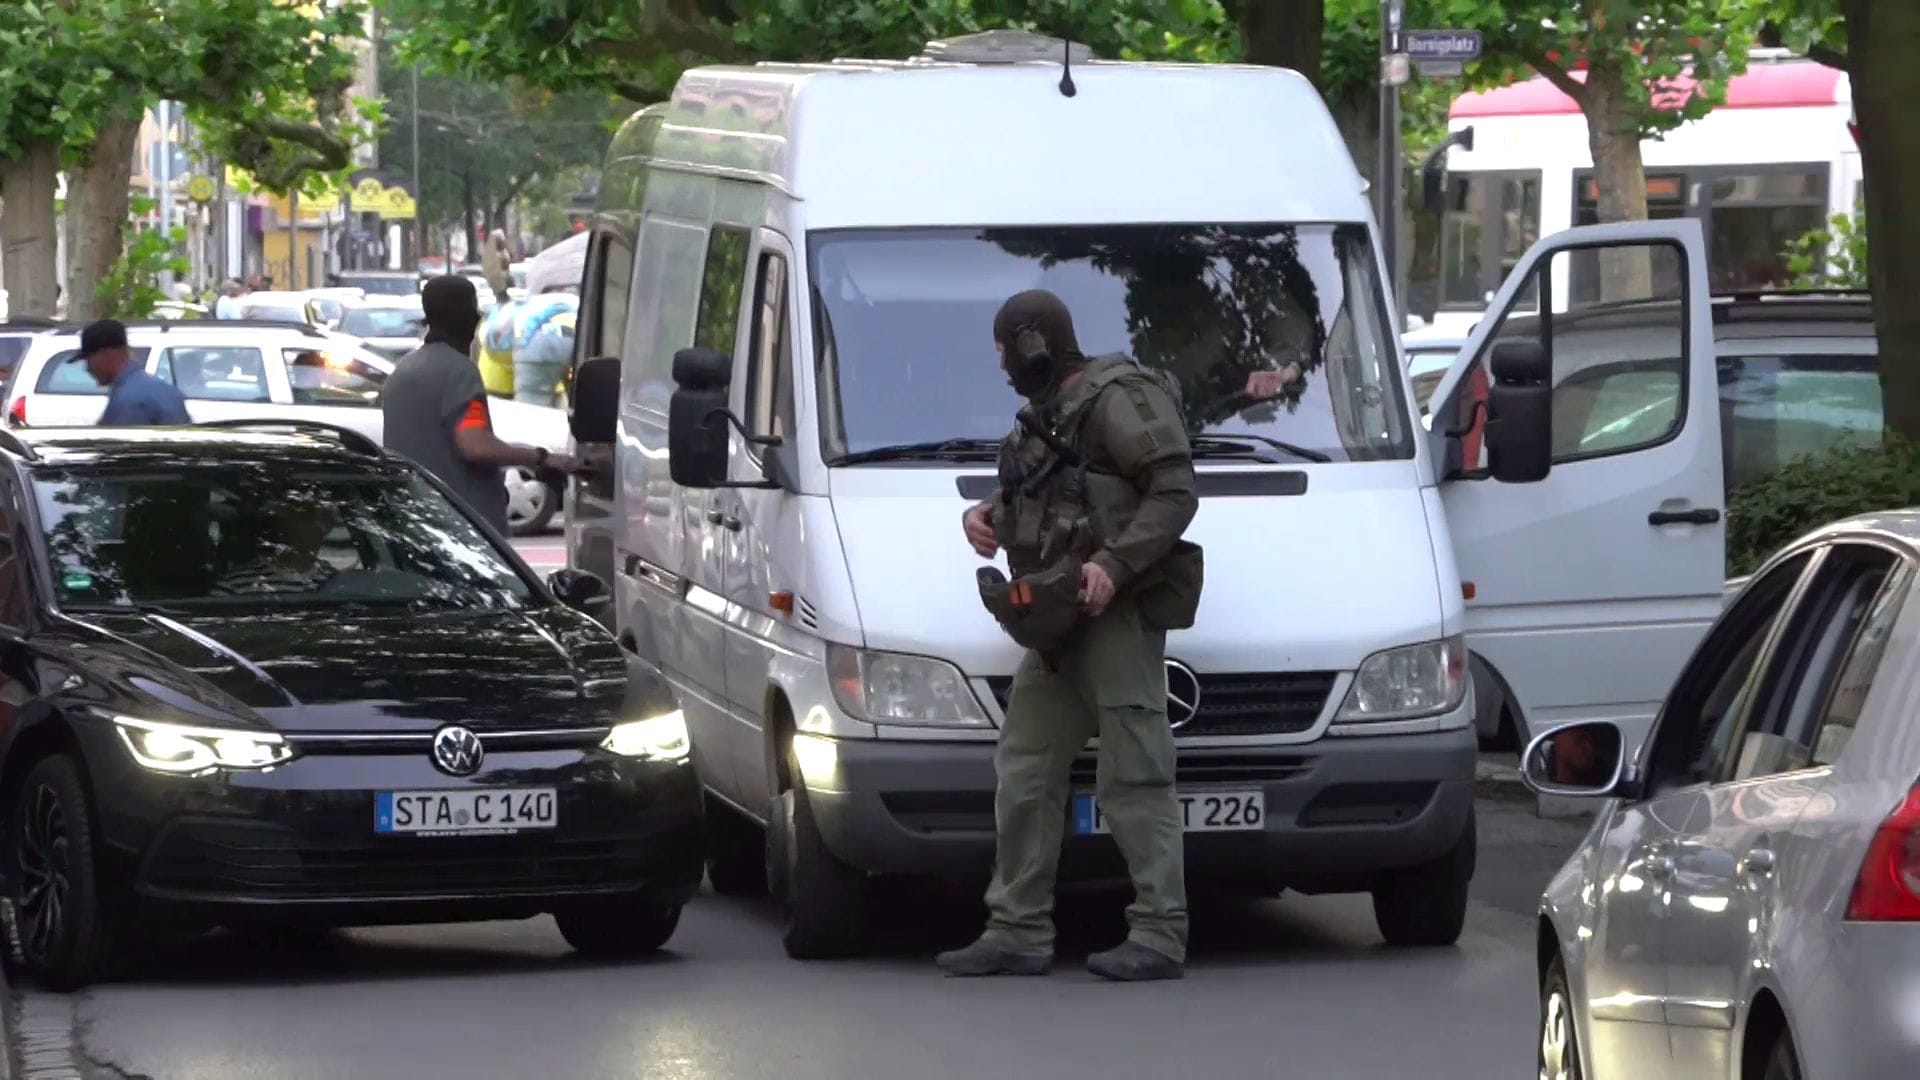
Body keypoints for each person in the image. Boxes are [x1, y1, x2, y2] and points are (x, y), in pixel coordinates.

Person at [937, 289, 1200, 983]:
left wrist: (1113, 566)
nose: (1001, 369)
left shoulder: (1119, 397)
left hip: (1115, 618)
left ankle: (1160, 932)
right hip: (1055, 623)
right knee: (1024, 770)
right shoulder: (1044, 419)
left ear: (1030, 343)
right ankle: (1017, 929)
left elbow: (1174, 491)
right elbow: (1051, 492)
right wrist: (986, 517)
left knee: (1136, 777)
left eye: (1003, 353)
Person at [380, 276, 570, 534]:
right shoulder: (459, 371)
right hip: (462, 530)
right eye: (472, 308)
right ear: (460, 316)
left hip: (416, 522)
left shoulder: (404, 370)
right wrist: (540, 458)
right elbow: (474, 445)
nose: (478, 316)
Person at [79, 319, 190, 426]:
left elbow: (117, 444)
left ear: (104, 355)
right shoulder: (165, 389)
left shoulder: (127, 401)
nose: (87, 369)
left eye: (89, 360)